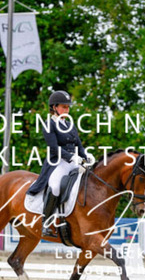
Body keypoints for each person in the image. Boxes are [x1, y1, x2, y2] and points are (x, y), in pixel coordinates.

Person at [27, 90, 94, 236]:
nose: (67, 110)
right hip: (57, 163)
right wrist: (72, 157)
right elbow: (54, 148)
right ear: (54, 107)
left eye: (68, 107)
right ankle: (46, 223)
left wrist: (86, 157)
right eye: (64, 107)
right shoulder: (49, 124)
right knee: (55, 186)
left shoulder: (70, 125)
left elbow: (79, 145)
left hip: (73, 161)